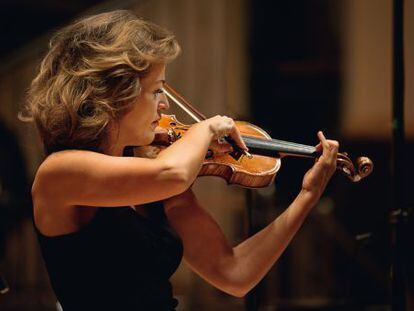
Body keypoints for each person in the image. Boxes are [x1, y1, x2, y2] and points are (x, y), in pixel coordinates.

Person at [23, 10, 339, 311]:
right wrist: (207, 128)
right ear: (115, 95)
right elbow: (172, 173)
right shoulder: (60, 173)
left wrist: (306, 197)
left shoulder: (155, 175)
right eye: (156, 91)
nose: (163, 106)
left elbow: (234, 274)